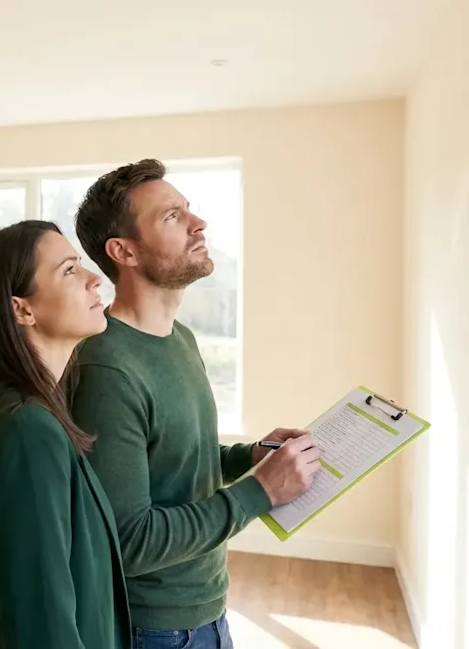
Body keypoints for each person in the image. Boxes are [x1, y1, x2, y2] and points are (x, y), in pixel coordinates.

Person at [69, 159, 322, 649]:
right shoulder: (106, 368)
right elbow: (129, 540)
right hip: (155, 628)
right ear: (124, 251)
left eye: (188, 209)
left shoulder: (179, 338)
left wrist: (251, 456)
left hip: (206, 608)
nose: (198, 223)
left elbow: (172, 464)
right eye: (172, 216)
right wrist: (260, 491)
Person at [0, 220, 133, 649]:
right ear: (22, 309)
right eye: (70, 270)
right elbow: (41, 633)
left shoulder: (17, 415)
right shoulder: (23, 432)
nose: (95, 279)